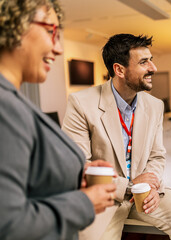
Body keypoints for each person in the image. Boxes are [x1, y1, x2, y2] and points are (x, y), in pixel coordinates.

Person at [62, 34, 171, 240]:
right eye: (143, 62)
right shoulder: (81, 104)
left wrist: (151, 184)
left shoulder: (155, 105)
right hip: (104, 198)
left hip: (145, 193)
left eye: (151, 60)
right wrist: (128, 187)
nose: (153, 68)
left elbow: (157, 156)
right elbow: (76, 166)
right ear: (119, 70)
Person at [0, 0, 116, 239]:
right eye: (51, 30)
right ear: (15, 27)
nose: (59, 48)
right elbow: (9, 224)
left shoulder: (14, 98)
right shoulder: (5, 105)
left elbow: (29, 175)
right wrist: (85, 203)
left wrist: (76, 171)